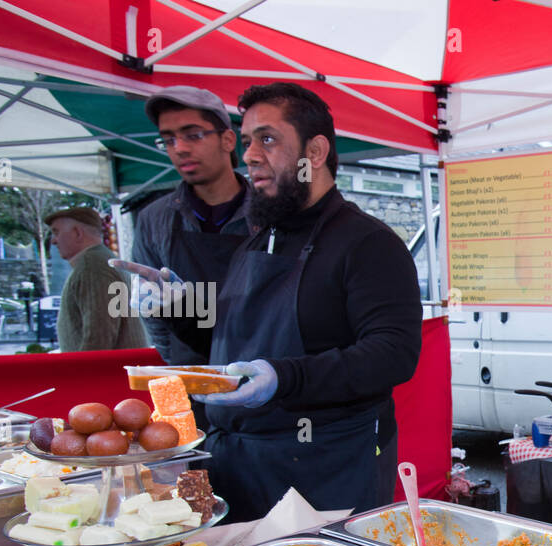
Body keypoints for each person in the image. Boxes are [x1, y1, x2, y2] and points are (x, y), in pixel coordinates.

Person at [154, 82, 422, 522]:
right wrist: (179, 309)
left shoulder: (368, 243)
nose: (250, 156)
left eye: (268, 139)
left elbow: (393, 354)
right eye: (246, 142)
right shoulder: (258, 241)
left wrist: (284, 377)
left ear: (314, 153)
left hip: (322, 474)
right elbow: (231, 343)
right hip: (236, 469)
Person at [129, 86, 254, 367]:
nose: (180, 148)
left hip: (266, 375)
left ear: (228, 139)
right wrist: (178, 364)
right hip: (192, 375)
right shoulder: (154, 219)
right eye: (169, 139)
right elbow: (153, 312)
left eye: (193, 135)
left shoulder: (269, 212)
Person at [46, 208, 149, 352]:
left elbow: (99, 334)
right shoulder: (100, 260)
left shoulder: (93, 266)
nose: (53, 241)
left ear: (77, 233)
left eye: (56, 232)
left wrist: (84, 372)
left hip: (108, 371)